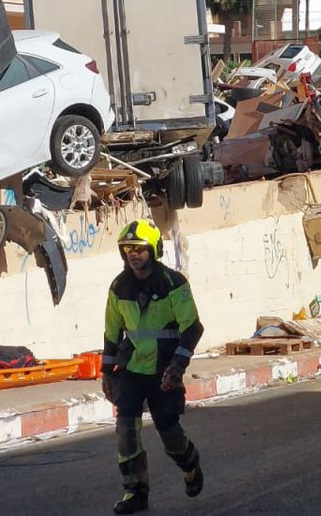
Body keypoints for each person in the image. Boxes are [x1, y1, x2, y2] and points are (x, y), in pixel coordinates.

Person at [102, 219, 205, 514]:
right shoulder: (119, 287)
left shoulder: (174, 284)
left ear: (153, 250)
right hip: (132, 369)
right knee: (126, 431)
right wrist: (106, 372)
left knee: (169, 433)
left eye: (139, 248)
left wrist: (177, 366)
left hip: (164, 371)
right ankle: (135, 492)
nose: (133, 254)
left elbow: (192, 328)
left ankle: (191, 467)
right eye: (128, 249)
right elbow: (112, 333)